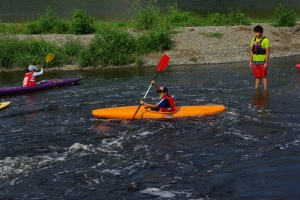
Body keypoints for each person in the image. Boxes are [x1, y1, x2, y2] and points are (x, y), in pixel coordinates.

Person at [249, 25, 270, 90]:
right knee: (257, 76)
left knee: (263, 76)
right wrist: (250, 61)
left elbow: (267, 52)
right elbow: (252, 51)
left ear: (261, 32)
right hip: (255, 61)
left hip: (262, 61)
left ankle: (265, 90)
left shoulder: (265, 40)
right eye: (255, 32)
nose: (256, 33)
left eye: (258, 32)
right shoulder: (253, 39)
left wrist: (266, 62)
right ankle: (256, 88)